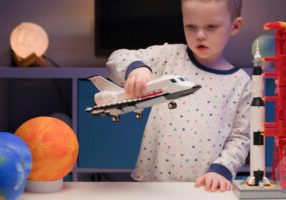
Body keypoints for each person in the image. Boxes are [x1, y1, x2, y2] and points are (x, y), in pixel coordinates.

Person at [106, 0, 250, 193]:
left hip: (205, 187)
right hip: (153, 184)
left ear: (235, 26)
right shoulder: (170, 57)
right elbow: (116, 59)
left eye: (211, 26)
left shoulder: (241, 83)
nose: (199, 35)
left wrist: (222, 169)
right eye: (191, 26)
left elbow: (240, 137)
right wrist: (136, 68)